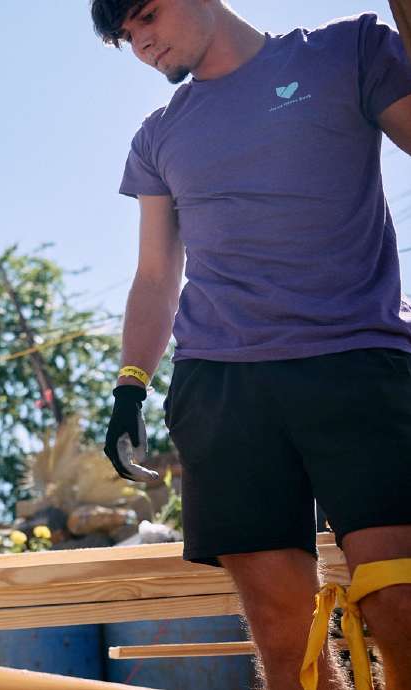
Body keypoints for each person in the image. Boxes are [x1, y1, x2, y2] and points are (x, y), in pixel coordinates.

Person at [92, 2, 411, 688]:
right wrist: (128, 387)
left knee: (400, 603)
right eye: (125, 37)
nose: (140, 42)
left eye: (145, 16)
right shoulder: (159, 136)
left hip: (359, 361)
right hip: (225, 387)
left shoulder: (346, 52)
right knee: (279, 630)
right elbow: (155, 276)